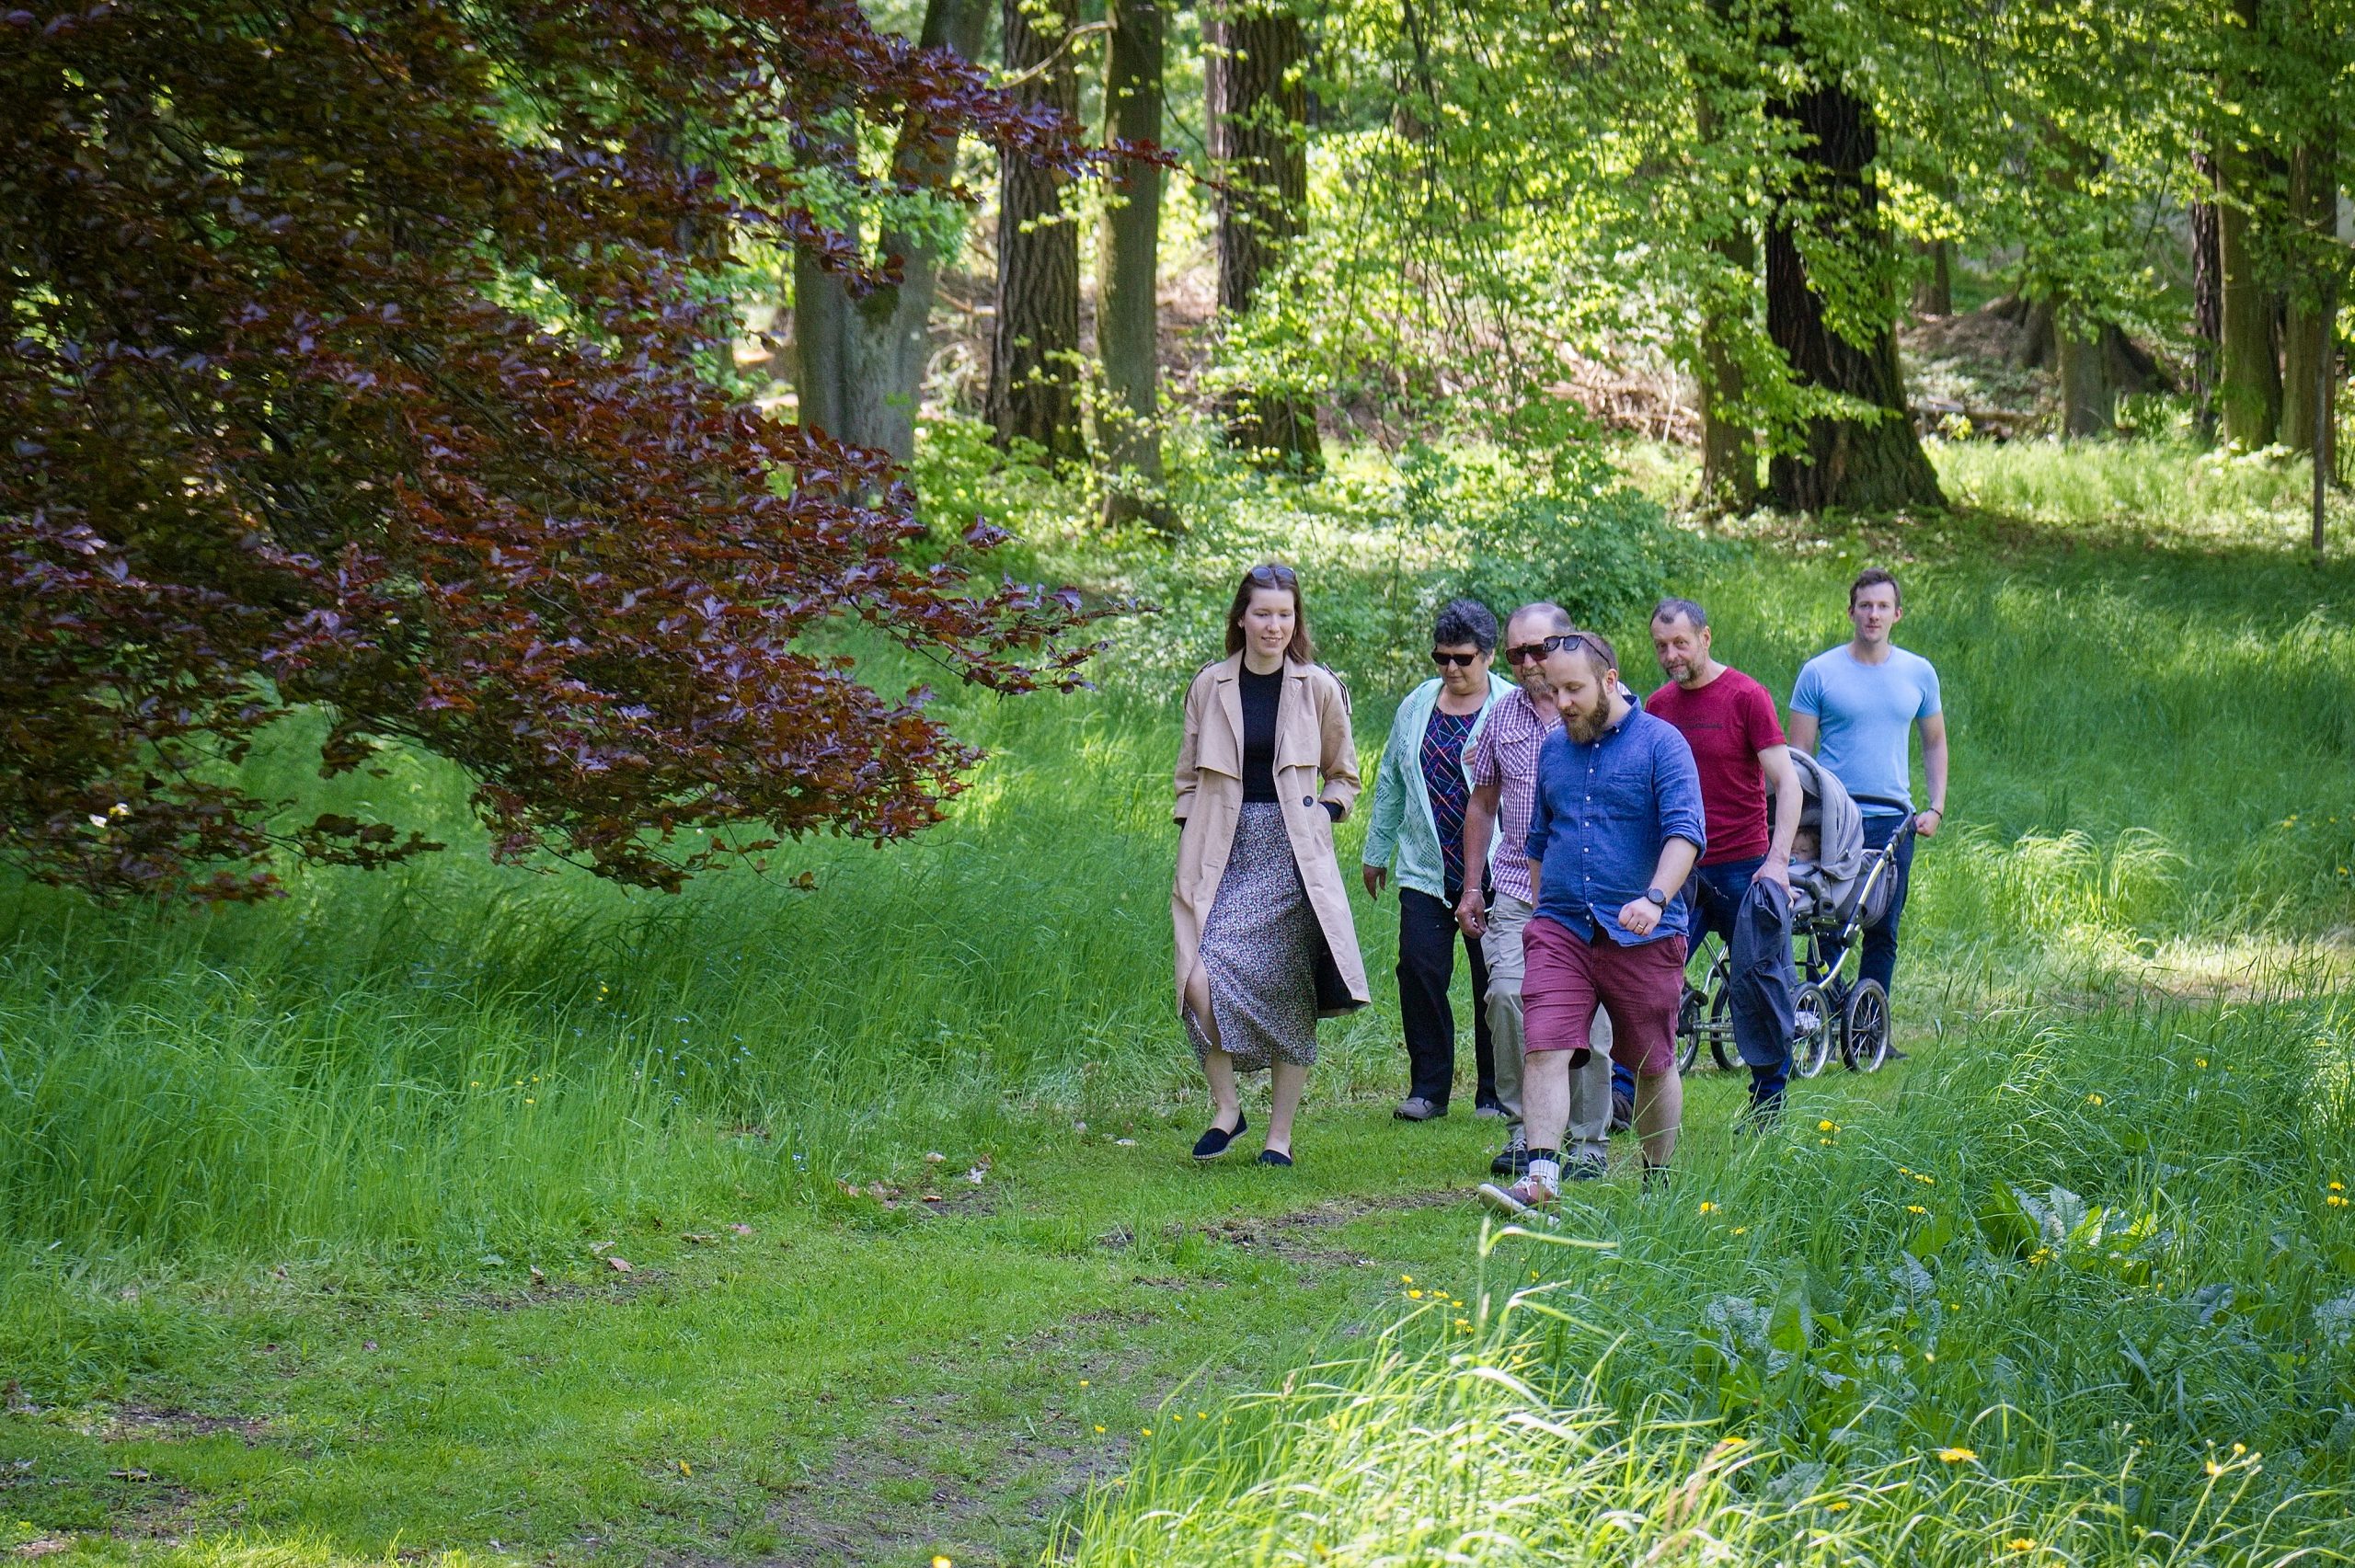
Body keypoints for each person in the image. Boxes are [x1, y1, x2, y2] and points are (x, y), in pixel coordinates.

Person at [1479, 630, 1705, 1212]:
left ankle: (1657, 1186)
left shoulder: (1662, 744)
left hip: (1643, 932)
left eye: (1574, 689)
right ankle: (1541, 1179)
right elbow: (1537, 838)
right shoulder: (1554, 748)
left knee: (1651, 1062)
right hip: (1562, 929)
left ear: (1609, 680)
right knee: (1545, 1046)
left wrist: (1655, 898)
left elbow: (1686, 833)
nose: (1563, 703)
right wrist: (1541, 913)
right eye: (1554, 691)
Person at [1172, 563, 1369, 1167]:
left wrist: (1326, 812)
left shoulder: (1319, 687)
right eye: (1262, 613)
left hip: (1293, 855)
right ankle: (1228, 1107)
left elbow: (1344, 775)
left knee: (1289, 990)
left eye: (1285, 614)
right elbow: (1186, 779)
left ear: (1296, 620)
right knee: (1198, 976)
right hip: (1220, 850)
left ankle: (1278, 1137)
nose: (1274, 625)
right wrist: (1193, 831)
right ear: (1241, 617)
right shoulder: (1209, 685)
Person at [1456, 603, 1617, 1181]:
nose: (1527, 662)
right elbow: (1483, 803)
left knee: (1591, 1022)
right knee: (1506, 998)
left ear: (1567, 644)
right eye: (1516, 652)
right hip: (1518, 890)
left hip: (1589, 895)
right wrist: (1471, 887)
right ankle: (1524, 1133)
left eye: (1538, 649)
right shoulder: (1501, 717)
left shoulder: (1608, 711)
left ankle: (1589, 1144)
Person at [1647, 598, 1804, 1125]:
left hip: (1745, 866)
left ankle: (1768, 1102)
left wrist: (1777, 863)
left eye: (1680, 643)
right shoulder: (1658, 707)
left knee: (1760, 982)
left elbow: (1788, 784)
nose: (1671, 655)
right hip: (1681, 870)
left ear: (1705, 638)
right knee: (1646, 973)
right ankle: (1626, 1094)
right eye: (1662, 646)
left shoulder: (1746, 696)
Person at [1361, 599, 1515, 1122]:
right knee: (1419, 971)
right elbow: (1391, 777)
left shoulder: (1512, 707)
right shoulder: (1418, 703)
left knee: (1494, 980)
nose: (1451, 668)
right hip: (1427, 867)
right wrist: (1376, 851)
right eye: (1441, 657)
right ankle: (1428, 1089)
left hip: (1497, 868)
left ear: (1489, 656)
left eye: (1463, 658)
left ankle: (1495, 1093)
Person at [1786, 568, 1947, 1014]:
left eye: (1882, 606)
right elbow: (1798, 757)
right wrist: (1796, 821)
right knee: (1822, 919)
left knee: (1883, 928)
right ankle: (1823, 1013)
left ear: (1897, 614)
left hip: (1893, 818)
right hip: (1834, 819)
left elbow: (1934, 741)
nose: (1873, 614)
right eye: (1865, 606)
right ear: (1851, 612)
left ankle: (1869, 1027)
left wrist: (1936, 806)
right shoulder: (1818, 673)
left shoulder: (1919, 673)